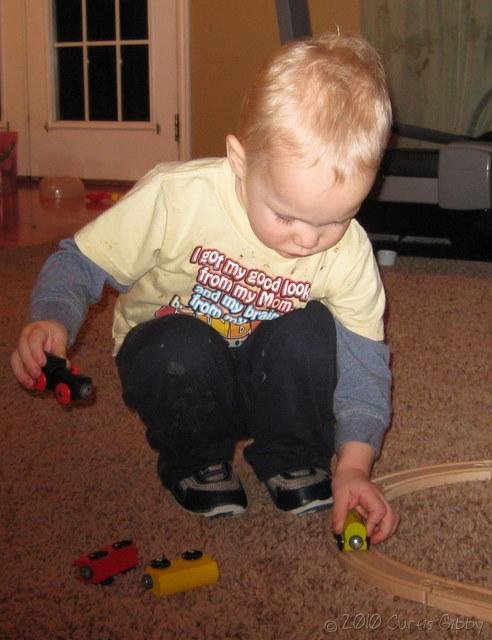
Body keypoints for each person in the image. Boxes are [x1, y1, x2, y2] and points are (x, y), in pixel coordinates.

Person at [11, 32, 399, 543]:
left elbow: (364, 363)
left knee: (313, 332)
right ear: (240, 163)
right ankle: (195, 460)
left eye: (337, 219)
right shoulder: (177, 198)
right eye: (286, 214)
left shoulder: (347, 251)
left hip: (267, 376)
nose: (308, 240)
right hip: (181, 366)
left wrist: (354, 464)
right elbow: (82, 259)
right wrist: (52, 317)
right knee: (176, 347)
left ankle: (293, 455)